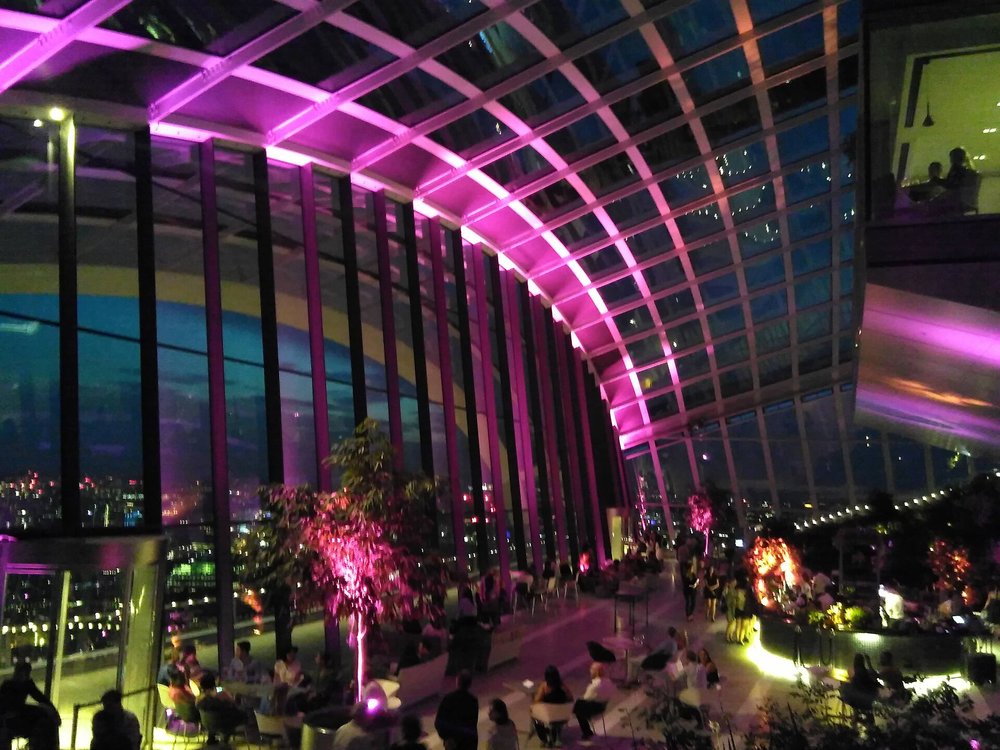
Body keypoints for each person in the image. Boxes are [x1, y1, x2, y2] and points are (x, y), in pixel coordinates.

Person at [0, 661, 60, 750]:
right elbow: (5, 705)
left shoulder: (25, 684)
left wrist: (52, 711)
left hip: (15, 716)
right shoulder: (9, 685)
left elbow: (40, 697)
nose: (25, 676)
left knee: (43, 718)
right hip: (8, 717)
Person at [195, 672, 245, 745]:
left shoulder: (199, 698)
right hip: (223, 723)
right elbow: (233, 703)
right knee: (240, 713)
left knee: (213, 716)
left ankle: (211, 738)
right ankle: (225, 740)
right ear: (214, 683)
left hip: (207, 724)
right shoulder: (222, 694)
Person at [434, 671, 479, 750]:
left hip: (452, 743)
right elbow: (472, 722)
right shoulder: (473, 701)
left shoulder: (448, 699)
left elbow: (438, 722)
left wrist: (446, 737)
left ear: (457, 681)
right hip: (469, 743)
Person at [531, 665, 572, 747]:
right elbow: (571, 699)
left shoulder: (544, 686)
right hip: (562, 717)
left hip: (548, 716)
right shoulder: (563, 687)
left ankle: (544, 739)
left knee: (535, 717)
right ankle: (557, 736)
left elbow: (536, 701)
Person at [573, 662, 613, 741]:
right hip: (603, 706)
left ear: (596, 672)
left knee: (577, 706)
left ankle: (586, 732)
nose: (590, 671)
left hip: (594, 708)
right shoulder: (608, 681)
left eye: (591, 670)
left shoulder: (594, 685)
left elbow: (586, 698)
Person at [722, 578, 739, 643]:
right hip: (729, 609)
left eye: (735, 582)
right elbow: (727, 601)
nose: (735, 584)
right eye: (734, 582)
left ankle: (730, 636)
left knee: (733, 623)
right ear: (730, 583)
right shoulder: (728, 590)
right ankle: (727, 637)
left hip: (733, 609)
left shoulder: (734, 590)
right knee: (730, 623)